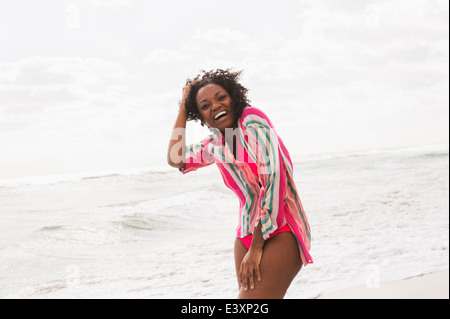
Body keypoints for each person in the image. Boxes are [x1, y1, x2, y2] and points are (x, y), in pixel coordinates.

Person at [167, 69, 312, 299]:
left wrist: (256, 247)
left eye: (221, 97)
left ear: (233, 97)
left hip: (279, 228)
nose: (215, 105)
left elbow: (275, 180)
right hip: (245, 232)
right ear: (201, 116)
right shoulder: (216, 144)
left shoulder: (252, 120)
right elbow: (176, 158)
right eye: (204, 106)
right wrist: (184, 107)